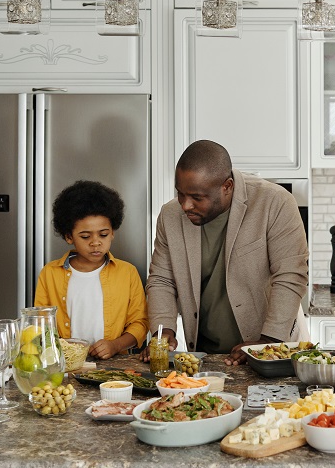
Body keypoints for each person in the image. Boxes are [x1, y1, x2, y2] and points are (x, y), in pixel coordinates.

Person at [144, 140, 309, 365]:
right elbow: (162, 279)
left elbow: (290, 276)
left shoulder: (275, 203)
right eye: (181, 193)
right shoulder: (169, 216)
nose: (185, 205)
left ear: (227, 186)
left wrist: (267, 343)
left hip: (274, 350)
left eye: (197, 198)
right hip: (207, 356)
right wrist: (162, 331)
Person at [34, 180, 148, 359]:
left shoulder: (127, 273)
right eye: (85, 236)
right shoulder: (50, 273)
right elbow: (40, 325)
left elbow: (140, 324)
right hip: (65, 365)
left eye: (103, 234)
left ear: (112, 233)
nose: (96, 242)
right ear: (69, 236)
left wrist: (115, 345)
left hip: (114, 365)